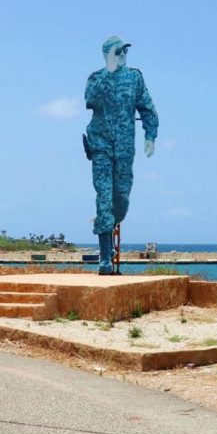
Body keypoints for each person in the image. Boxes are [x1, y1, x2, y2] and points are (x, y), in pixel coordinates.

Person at [83, 36, 159, 274]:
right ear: (107, 55)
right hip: (100, 144)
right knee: (104, 196)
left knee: (121, 199)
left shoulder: (134, 78)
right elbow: (90, 100)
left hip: (125, 147)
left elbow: (147, 107)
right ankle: (105, 257)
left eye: (125, 52)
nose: (123, 56)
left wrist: (150, 135)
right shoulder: (96, 78)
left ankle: (110, 226)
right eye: (118, 52)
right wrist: (108, 72)